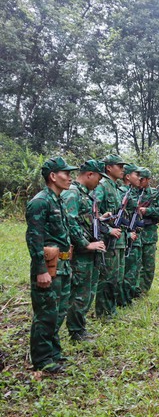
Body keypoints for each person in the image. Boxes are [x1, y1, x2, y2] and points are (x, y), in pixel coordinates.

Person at [26, 157, 80, 373]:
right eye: (66, 174)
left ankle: (54, 353)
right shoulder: (40, 202)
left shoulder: (58, 200)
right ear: (53, 176)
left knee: (58, 312)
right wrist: (41, 271)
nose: (70, 178)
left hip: (63, 265)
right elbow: (34, 238)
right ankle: (42, 359)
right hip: (49, 268)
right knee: (46, 314)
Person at [61, 160, 108, 343]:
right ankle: (76, 332)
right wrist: (85, 244)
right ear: (89, 174)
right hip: (81, 253)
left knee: (88, 291)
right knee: (80, 293)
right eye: (98, 177)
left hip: (90, 251)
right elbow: (70, 222)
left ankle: (80, 328)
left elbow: (83, 220)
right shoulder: (72, 194)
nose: (99, 182)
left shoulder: (85, 195)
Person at [94, 154, 126, 319]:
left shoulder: (114, 186)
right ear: (108, 167)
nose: (122, 169)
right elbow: (93, 214)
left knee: (116, 277)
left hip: (117, 239)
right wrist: (107, 230)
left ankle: (111, 309)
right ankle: (103, 312)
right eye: (119, 166)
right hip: (107, 240)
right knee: (107, 277)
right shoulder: (102, 186)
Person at [136, 167, 159, 293]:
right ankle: (133, 289)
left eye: (142, 179)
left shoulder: (155, 193)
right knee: (135, 264)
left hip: (149, 233)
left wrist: (147, 211)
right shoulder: (131, 193)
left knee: (148, 264)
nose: (139, 181)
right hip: (134, 233)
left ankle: (143, 290)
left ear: (148, 180)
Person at [119, 164, 143, 304]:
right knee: (127, 269)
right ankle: (123, 298)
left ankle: (129, 295)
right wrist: (128, 233)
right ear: (127, 177)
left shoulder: (132, 192)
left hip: (133, 234)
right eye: (136, 175)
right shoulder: (123, 192)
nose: (139, 178)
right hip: (127, 237)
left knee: (134, 267)